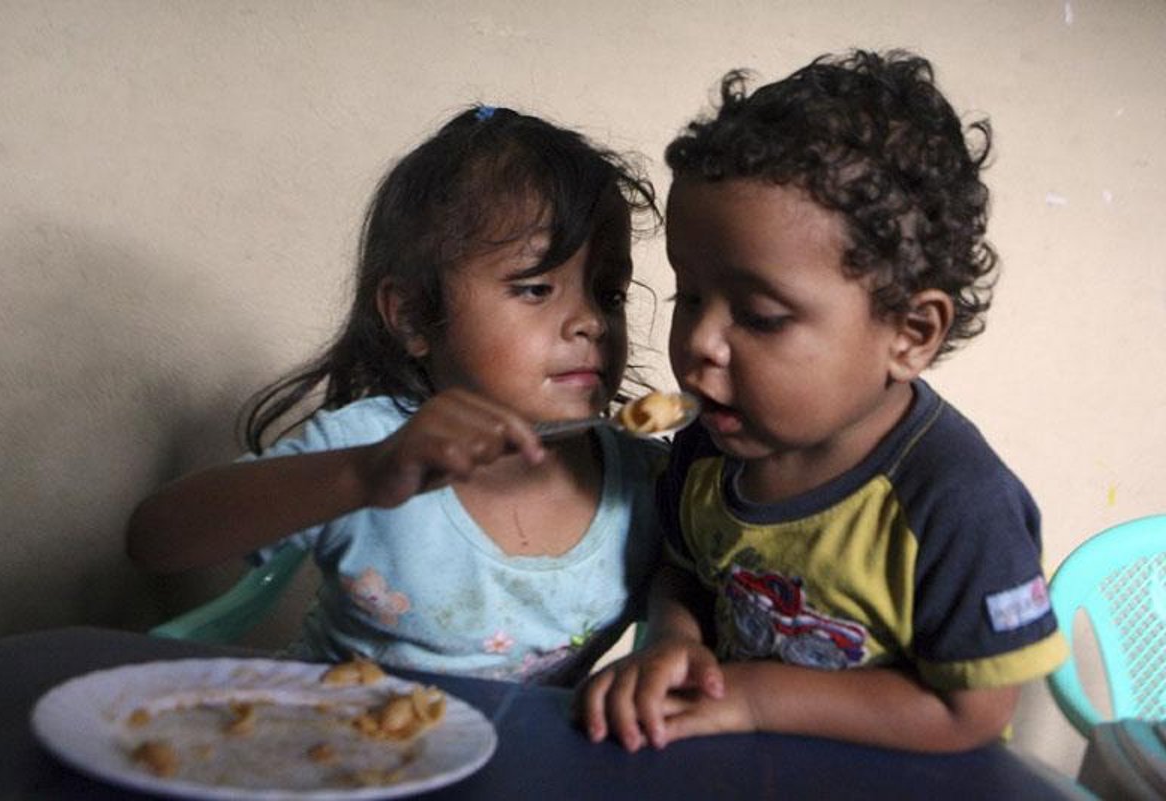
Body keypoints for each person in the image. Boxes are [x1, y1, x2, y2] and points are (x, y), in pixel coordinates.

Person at [577, 50, 1068, 751]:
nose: (701, 343)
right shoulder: (708, 447)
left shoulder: (958, 504)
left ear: (910, 334)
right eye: (690, 295)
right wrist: (672, 641)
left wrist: (754, 697)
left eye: (761, 316)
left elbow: (973, 711)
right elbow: (683, 572)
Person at [127, 105, 666, 687]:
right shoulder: (376, 448)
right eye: (536, 288)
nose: (591, 321)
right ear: (411, 316)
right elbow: (154, 539)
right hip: (330, 728)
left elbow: (696, 611)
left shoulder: (652, 485)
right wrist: (361, 476)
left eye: (609, 294)